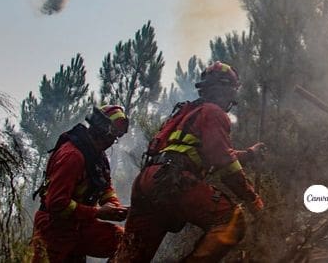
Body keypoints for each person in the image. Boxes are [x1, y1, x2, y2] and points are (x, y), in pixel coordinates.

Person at [114, 61, 265, 263]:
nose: (232, 97)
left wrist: (249, 154)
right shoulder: (214, 112)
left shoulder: (187, 113)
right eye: (232, 91)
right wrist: (251, 198)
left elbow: (204, 153)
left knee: (132, 253)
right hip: (174, 181)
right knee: (231, 221)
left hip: (149, 180)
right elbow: (225, 163)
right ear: (224, 89)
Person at [29, 104, 130, 262]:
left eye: (117, 136)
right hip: (53, 229)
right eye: (112, 134)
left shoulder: (99, 157)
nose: (113, 141)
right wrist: (97, 213)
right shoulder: (73, 156)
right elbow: (57, 204)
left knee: (125, 242)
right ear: (101, 128)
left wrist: (115, 207)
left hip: (79, 225)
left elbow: (105, 188)